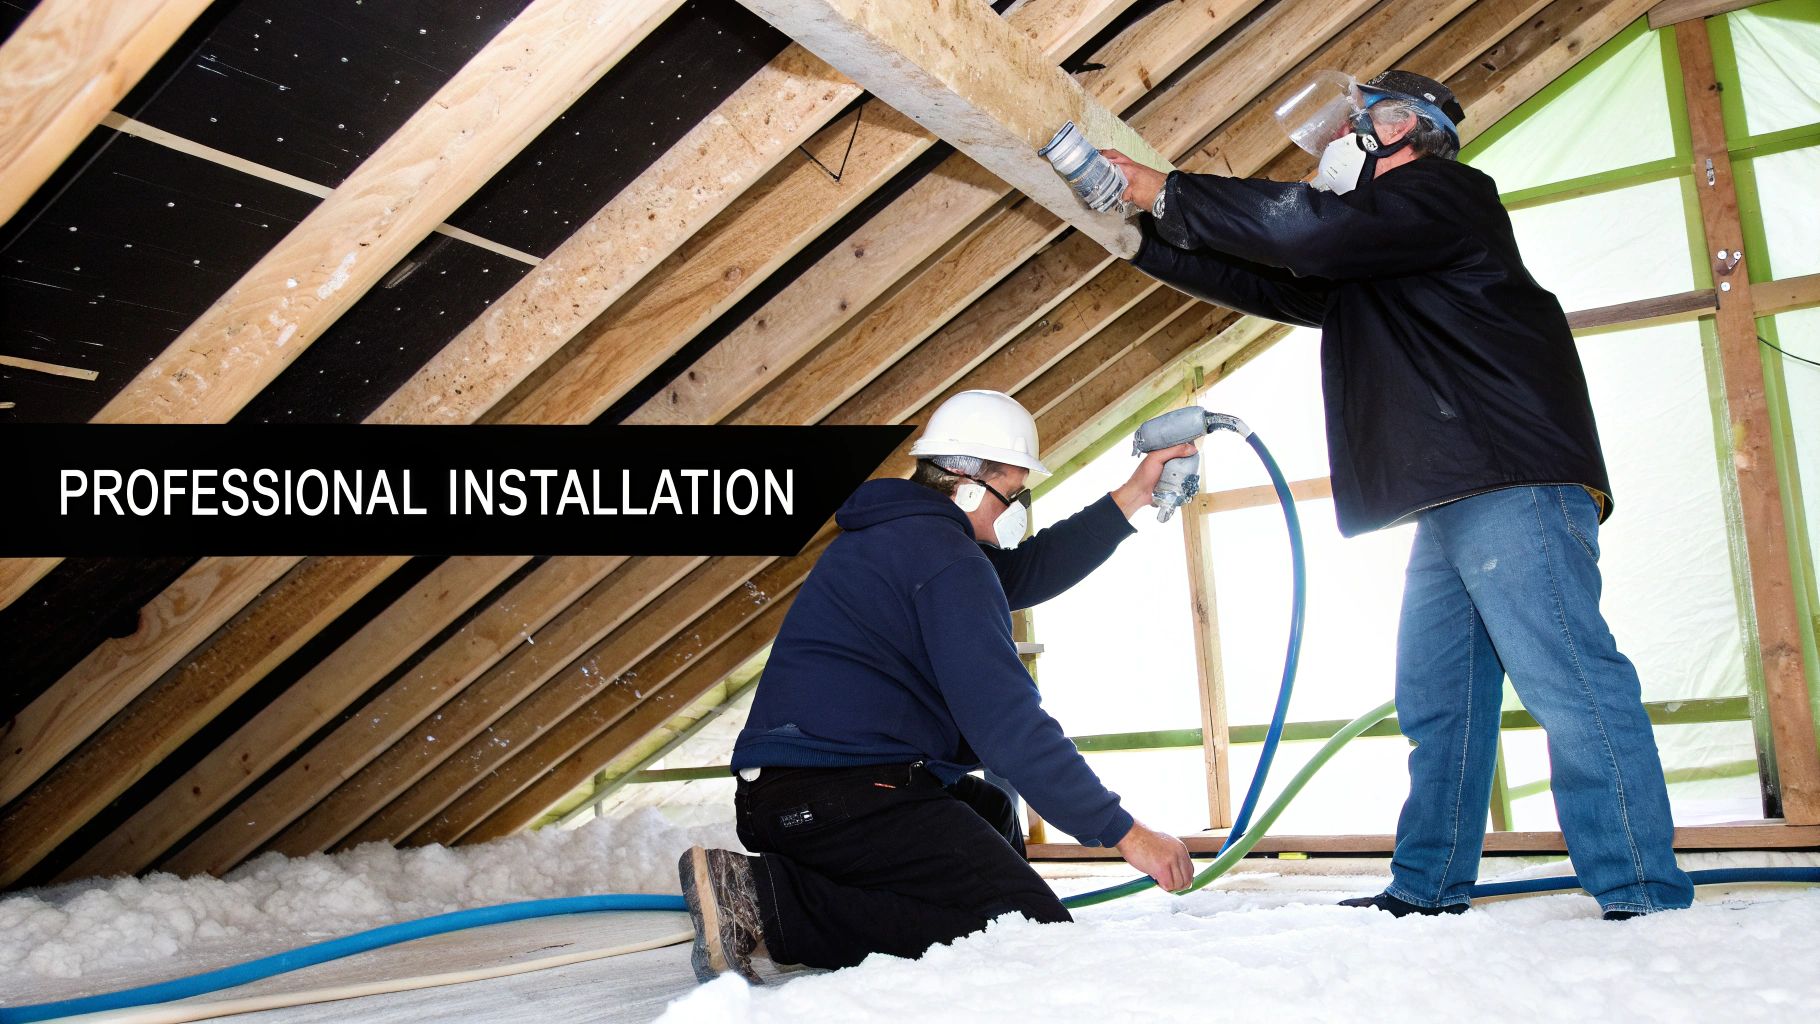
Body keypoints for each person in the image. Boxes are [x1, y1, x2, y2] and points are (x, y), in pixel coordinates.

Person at [1103, 69, 1694, 920]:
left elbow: (1309, 237)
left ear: (1402, 126)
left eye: (1356, 123)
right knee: (1440, 702)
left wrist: (1165, 188)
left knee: (1572, 685)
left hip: (1510, 482)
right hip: (1456, 492)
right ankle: (1427, 886)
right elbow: (1278, 283)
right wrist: (1144, 240)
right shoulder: (1382, 249)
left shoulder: (1446, 195)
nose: (1340, 142)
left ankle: (1641, 888)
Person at [679, 389, 1197, 982]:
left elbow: (1023, 572)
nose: (1017, 507)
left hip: (805, 793)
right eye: (1015, 491)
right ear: (969, 484)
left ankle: (819, 893)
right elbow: (1009, 727)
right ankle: (764, 902)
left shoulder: (906, 538)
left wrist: (1134, 495)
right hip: (832, 797)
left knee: (990, 810)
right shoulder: (944, 558)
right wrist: (1127, 833)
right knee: (1022, 928)